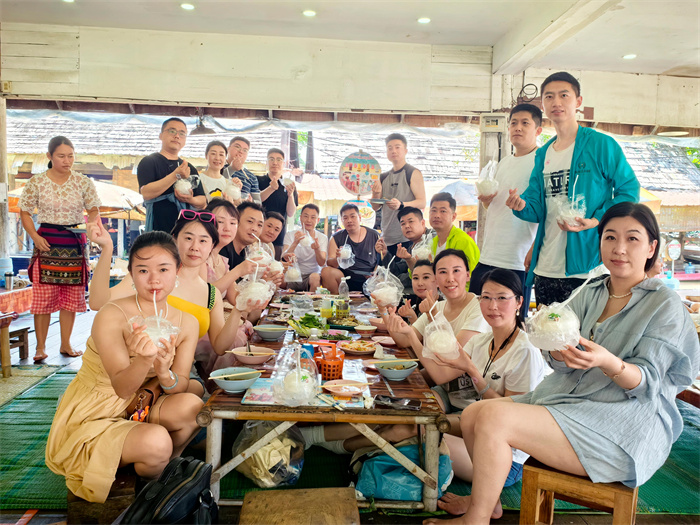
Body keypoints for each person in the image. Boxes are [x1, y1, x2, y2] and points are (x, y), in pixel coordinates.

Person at [427, 203, 700, 525]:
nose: (619, 248)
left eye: (632, 239)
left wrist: (607, 361)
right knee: (474, 413)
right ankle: (488, 502)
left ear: (652, 247)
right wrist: (558, 352)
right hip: (569, 403)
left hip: (621, 426)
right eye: (610, 237)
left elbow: (648, 384)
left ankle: (477, 518)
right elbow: (558, 356)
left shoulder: (664, 304)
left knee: (493, 418)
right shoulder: (591, 291)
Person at [45, 231, 204, 503]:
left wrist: (164, 373)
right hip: (97, 409)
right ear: (131, 273)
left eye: (163, 269)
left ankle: (160, 466)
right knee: (157, 442)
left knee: (192, 406)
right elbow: (121, 387)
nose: (154, 279)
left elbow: (179, 385)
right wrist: (143, 360)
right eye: (143, 270)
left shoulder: (186, 322)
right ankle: (146, 464)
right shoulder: (112, 314)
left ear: (177, 270)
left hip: (138, 403)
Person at [88, 211, 267, 388]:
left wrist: (238, 309)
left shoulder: (210, 293)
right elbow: (97, 302)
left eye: (203, 241)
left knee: (196, 391)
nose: (195, 247)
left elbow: (220, 347)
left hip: (178, 373)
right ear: (174, 239)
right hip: (134, 367)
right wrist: (107, 249)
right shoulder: (154, 278)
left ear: (212, 246)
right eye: (188, 238)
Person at [506, 72, 640, 306]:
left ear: (578, 102)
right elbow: (536, 207)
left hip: (588, 269)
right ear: (543, 105)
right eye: (549, 97)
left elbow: (629, 191)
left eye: (564, 95)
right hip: (546, 267)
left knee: (586, 330)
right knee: (547, 329)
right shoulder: (543, 153)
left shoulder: (600, 144)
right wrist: (520, 205)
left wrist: (597, 220)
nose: (556, 102)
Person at [19, 136, 101, 362]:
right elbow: (25, 212)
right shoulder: (37, 182)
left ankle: (66, 344)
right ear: (50, 156)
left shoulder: (83, 182)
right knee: (43, 299)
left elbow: (94, 209)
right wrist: (35, 237)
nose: (67, 161)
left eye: (71, 156)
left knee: (71, 298)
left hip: (75, 243)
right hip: (45, 242)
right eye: (61, 156)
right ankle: (40, 348)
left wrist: (92, 225)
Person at [469, 104, 541, 302]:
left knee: (511, 318)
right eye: (514, 123)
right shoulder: (504, 162)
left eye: (525, 123)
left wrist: (535, 248)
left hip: (517, 259)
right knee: (476, 313)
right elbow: (494, 208)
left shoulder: (541, 162)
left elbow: (547, 212)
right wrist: (487, 201)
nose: (518, 128)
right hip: (488, 255)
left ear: (538, 130)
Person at [381, 249, 488, 359]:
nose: (450, 279)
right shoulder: (438, 306)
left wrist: (433, 315)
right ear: (436, 280)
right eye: (443, 272)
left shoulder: (480, 307)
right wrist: (383, 310)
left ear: (467, 275)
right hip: (434, 369)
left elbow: (453, 355)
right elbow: (403, 341)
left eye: (456, 270)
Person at [137, 117, 206, 233]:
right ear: (161, 135)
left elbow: (202, 201)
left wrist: (190, 199)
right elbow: (146, 193)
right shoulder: (149, 161)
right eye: (172, 131)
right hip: (157, 228)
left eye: (182, 133)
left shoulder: (188, 167)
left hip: (184, 230)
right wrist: (176, 175)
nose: (177, 136)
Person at [371, 133, 426, 254]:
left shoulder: (412, 173)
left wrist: (401, 204)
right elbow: (375, 207)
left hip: (409, 238)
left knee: (408, 266)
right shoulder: (382, 177)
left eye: (397, 147)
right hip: (387, 238)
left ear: (405, 150)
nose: (393, 151)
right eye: (389, 148)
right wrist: (376, 193)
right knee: (387, 266)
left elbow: (422, 202)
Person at [321, 203, 380, 294]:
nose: (349, 220)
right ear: (342, 221)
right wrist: (338, 258)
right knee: (326, 271)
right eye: (345, 218)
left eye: (353, 216)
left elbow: (381, 259)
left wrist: (375, 273)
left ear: (359, 218)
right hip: (345, 278)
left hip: (370, 278)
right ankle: (337, 300)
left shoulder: (374, 235)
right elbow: (329, 262)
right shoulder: (336, 237)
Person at [258, 148, 299, 259]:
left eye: (278, 159)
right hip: (258, 232)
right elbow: (256, 200)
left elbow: (290, 213)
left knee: (275, 263)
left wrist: (290, 195)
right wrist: (271, 188)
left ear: (283, 163)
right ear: (267, 162)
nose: (275, 162)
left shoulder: (289, 184)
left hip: (278, 234)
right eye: (271, 159)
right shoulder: (258, 180)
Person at [375, 206, 428, 291]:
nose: (407, 226)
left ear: (422, 223)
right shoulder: (411, 247)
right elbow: (397, 271)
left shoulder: (432, 240)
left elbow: (422, 277)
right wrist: (385, 253)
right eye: (403, 224)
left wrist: (393, 280)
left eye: (411, 221)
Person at [428, 193, 480, 279]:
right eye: (433, 210)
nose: (437, 215)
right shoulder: (433, 242)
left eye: (443, 211)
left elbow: (472, 277)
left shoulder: (463, 241)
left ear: (453, 216)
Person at [282, 203, 328, 292]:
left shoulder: (322, 238)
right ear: (300, 218)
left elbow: (322, 262)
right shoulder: (290, 235)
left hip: (311, 275)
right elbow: (283, 258)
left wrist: (317, 249)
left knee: (315, 277)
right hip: (293, 274)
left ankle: (311, 300)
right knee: (279, 276)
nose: (309, 220)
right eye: (306, 216)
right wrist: (295, 242)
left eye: (313, 217)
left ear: (318, 220)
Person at [223, 136, 261, 203]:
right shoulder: (218, 166)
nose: (241, 151)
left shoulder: (251, 177)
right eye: (237, 147)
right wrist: (232, 168)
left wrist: (250, 201)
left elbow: (258, 202)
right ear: (228, 149)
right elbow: (215, 181)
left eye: (245, 150)